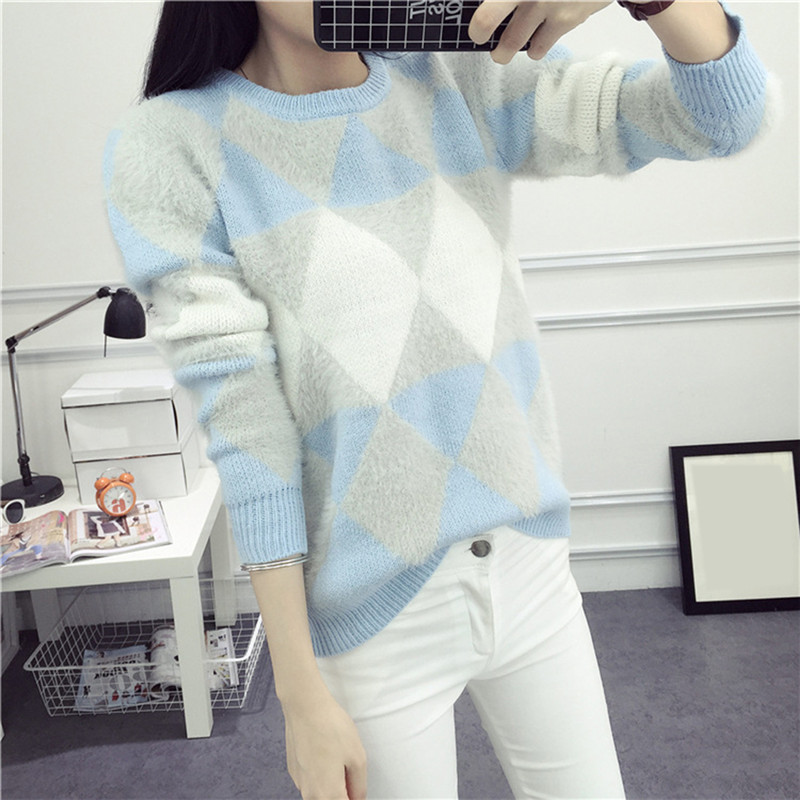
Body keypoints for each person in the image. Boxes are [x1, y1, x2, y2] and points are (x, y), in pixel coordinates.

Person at [102, 1, 773, 797]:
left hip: (527, 565)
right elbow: (248, 431)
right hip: (373, 614)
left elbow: (723, 119)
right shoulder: (173, 145)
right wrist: (299, 693)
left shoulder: (458, 78)